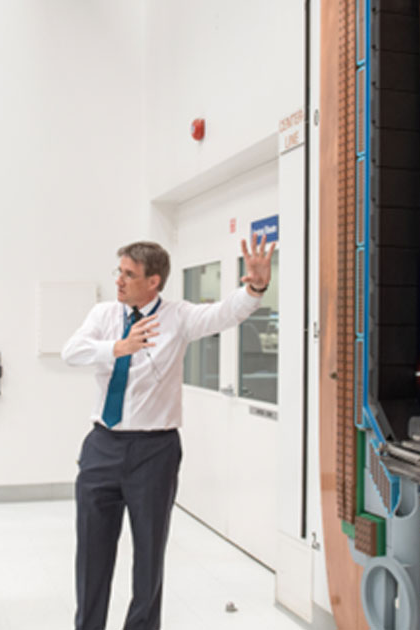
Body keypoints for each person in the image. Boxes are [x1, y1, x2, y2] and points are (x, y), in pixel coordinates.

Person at [61, 236, 274, 630]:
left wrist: (255, 288)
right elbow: (71, 352)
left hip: (153, 451)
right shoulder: (104, 315)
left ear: (153, 281)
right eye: (119, 272)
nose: (120, 281)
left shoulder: (179, 317)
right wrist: (117, 348)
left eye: (129, 274)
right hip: (102, 447)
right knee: (91, 553)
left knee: (148, 555)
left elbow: (226, 314)